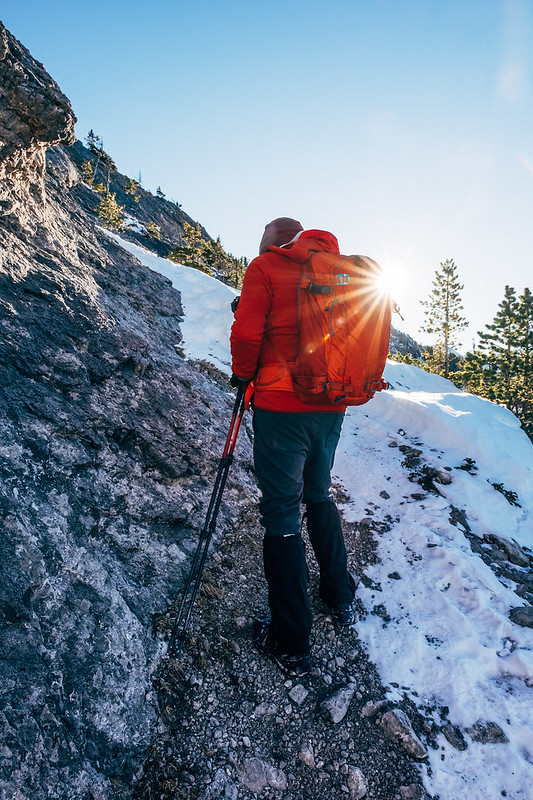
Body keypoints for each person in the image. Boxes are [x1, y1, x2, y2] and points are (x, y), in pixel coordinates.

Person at [230, 217, 356, 678]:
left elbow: (246, 336)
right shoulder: (343, 273)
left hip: (281, 407)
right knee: (318, 494)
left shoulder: (267, 267)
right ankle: (339, 597)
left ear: (280, 242)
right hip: (332, 404)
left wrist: (243, 375)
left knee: (282, 512)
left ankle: (291, 641)